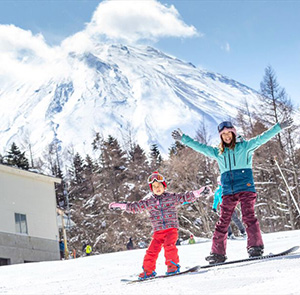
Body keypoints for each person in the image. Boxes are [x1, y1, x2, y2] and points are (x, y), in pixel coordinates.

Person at [172, 118, 293, 264]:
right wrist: (183, 139)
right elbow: (200, 147)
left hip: (245, 187)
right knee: (223, 221)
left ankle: (255, 247)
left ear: (234, 133)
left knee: (248, 216)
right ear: (221, 137)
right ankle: (217, 254)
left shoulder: (246, 146)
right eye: (223, 135)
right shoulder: (218, 152)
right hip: (228, 190)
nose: (227, 136)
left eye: (229, 133)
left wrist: (279, 127)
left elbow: (263, 138)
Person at [109, 171, 212, 280]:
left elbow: (184, 197)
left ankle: (172, 267)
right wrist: (121, 206)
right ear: (151, 189)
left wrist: (199, 192)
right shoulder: (149, 201)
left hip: (171, 229)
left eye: (159, 186)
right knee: (151, 251)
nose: (157, 188)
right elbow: (136, 206)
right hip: (158, 232)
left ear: (164, 186)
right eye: (154, 187)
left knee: (169, 246)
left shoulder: (171, 197)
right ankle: (148, 271)